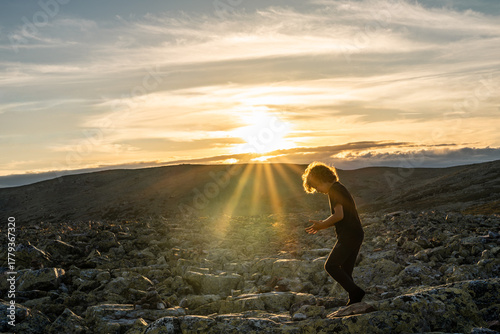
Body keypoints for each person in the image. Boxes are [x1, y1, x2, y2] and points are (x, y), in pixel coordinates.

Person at [302, 161, 365, 306]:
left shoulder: (334, 190)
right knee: (346, 271)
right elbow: (340, 217)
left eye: (316, 186)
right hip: (355, 233)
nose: (317, 190)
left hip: (349, 235)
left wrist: (322, 224)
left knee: (331, 266)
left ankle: (356, 293)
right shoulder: (339, 188)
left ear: (321, 179)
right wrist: (321, 226)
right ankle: (354, 300)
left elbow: (339, 215)